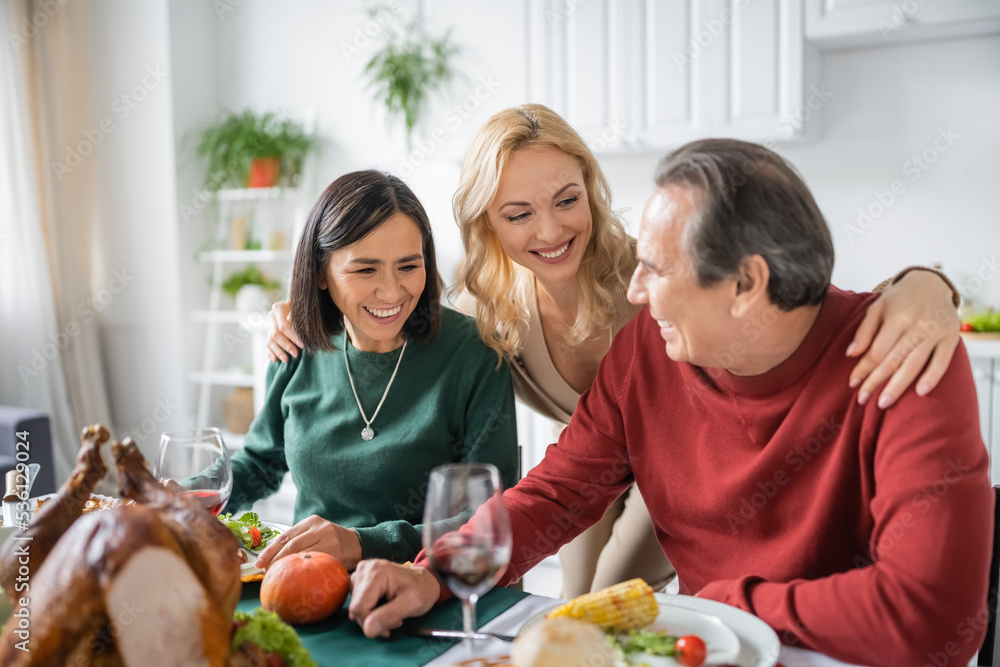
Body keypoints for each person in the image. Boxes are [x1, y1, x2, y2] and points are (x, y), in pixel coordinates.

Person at [266, 104, 963, 598]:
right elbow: (560, 485)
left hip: (676, 490)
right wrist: (304, 307)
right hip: (604, 477)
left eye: (567, 199)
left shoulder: (667, 285)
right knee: (579, 612)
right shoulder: (492, 312)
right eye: (517, 214)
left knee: (606, 600)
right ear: (487, 223)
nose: (550, 228)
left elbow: (796, 293)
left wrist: (927, 283)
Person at [224, 170, 518, 571]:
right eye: (366, 270)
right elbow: (258, 464)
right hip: (304, 580)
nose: (392, 291)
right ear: (320, 273)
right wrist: (184, 499)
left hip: (425, 585)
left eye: (408, 266)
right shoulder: (296, 343)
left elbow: (490, 515)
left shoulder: (476, 355)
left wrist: (364, 544)